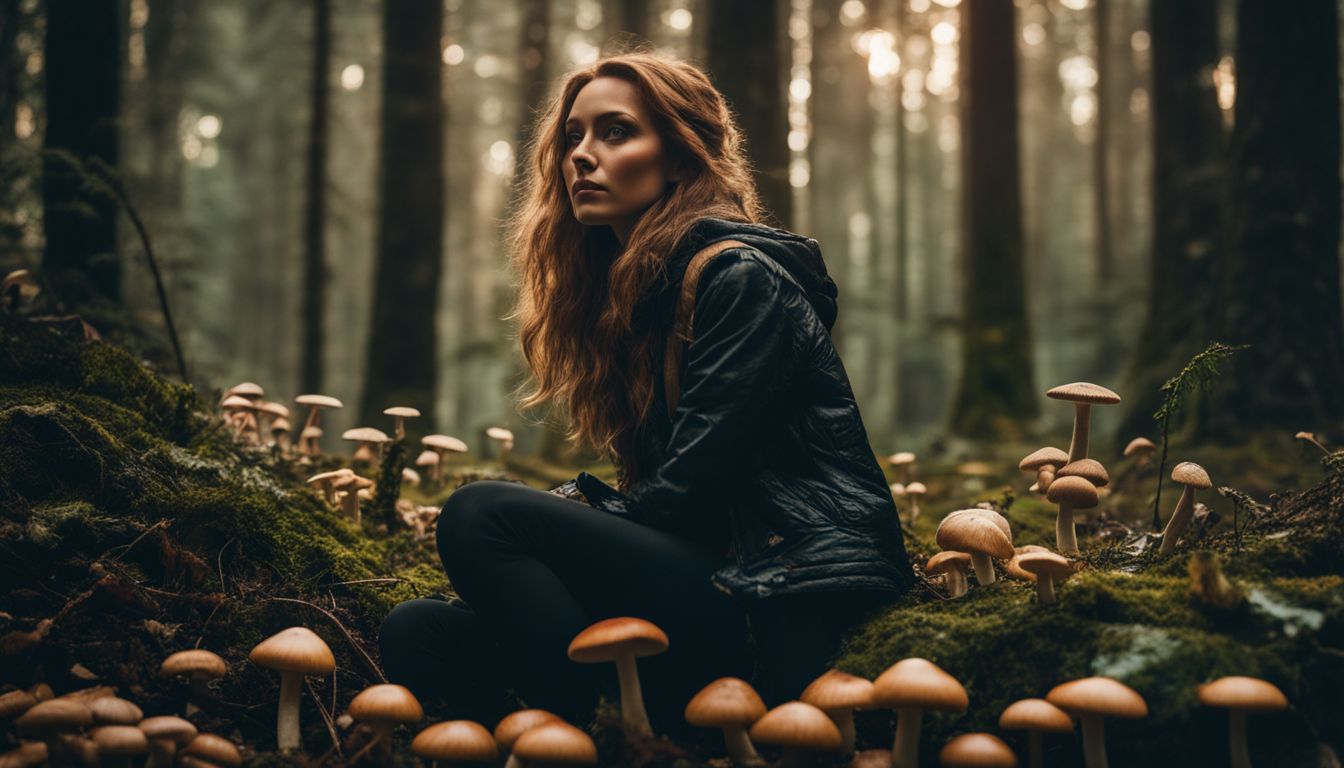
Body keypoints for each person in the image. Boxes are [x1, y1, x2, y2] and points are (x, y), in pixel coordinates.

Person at [377, 51, 914, 741]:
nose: (582, 156)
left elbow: (688, 493)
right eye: (573, 136)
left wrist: (566, 522)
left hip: (778, 595)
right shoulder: (638, 295)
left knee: (480, 515)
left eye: (616, 132)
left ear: (682, 156)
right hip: (703, 589)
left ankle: (598, 728)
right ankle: (574, 733)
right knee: (416, 630)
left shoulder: (739, 278)